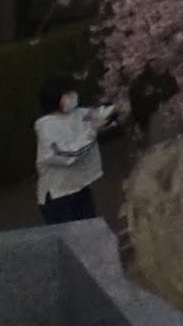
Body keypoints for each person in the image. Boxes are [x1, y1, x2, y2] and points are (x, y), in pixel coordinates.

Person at [34, 75, 120, 225]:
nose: (72, 97)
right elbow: (67, 155)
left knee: (90, 232)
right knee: (70, 240)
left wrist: (115, 107)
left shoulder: (77, 114)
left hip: (80, 187)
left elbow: (98, 113)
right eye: (67, 94)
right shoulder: (46, 127)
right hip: (58, 195)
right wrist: (92, 131)